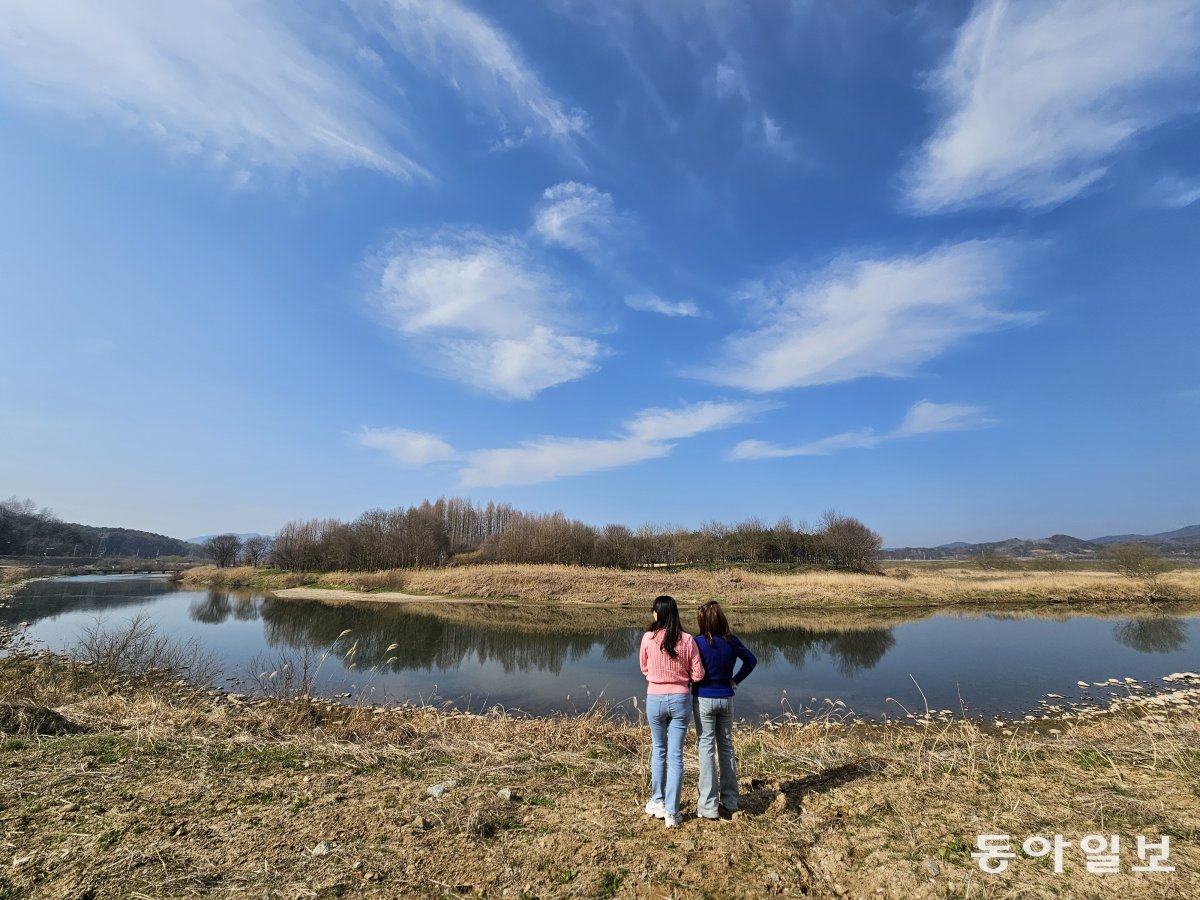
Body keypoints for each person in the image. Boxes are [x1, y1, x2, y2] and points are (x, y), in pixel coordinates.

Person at [639, 594, 705, 827]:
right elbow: (698, 675)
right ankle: (672, 812)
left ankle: (657, 801)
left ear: (658, 613)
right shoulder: (687, 640)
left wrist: (658, 678)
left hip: (654, 698)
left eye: (653, 610)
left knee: (659, 750)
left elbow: (643, 668)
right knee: (676, 755)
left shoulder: (648, 638)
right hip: (680, 699)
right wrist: (680, 679)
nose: (652, 614)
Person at [692, 600, 757, 820]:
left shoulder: (697, 642)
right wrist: (735, 680)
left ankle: (708, 806)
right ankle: (730, 801)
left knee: (706, 748)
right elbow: (751, 661)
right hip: (726, 699)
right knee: (726, 748)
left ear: (703, 621)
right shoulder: (732, 642)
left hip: (703, 699)